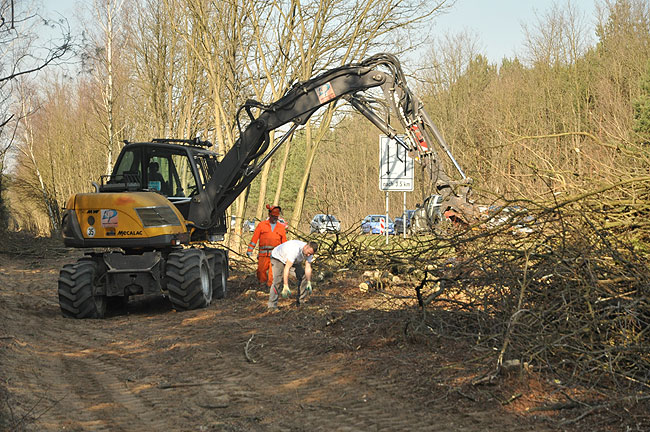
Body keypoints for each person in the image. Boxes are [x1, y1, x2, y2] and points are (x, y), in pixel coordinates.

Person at [267, 240, 318, 311]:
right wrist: (285, 285)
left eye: (311, 254)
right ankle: (272, 306)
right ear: (306, 247)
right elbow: (287, 268)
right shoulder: (295, 250)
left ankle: (301, 302)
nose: (308, 255)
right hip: (278, 258)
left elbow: (308, 267)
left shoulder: (309, 253)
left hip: (293, 261)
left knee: (304, 276)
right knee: (277, 281)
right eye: (308, 253)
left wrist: (309, 281)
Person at [246, 205, 287, 289]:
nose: (274, 218)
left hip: (275, 255)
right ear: (269, 215)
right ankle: (262, 284)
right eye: (273, 216)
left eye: (276, 216)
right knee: (261, 271)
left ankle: (270, 287)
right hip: (263, 254)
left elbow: (284, 243)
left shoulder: (281, 227)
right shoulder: (261, 225)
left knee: (273, 273)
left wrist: (285, 254)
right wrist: (250, 249)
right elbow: (255, 238)